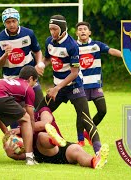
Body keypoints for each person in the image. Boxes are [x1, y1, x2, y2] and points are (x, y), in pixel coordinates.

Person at [36, 15, 102, 154]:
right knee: (38, 113)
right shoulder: (49, 41)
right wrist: (42, 63)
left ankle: (99, 151)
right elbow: (48, 57)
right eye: (50, 29)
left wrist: (57, 88)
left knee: (85, 118)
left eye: (55, 29)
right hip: (57, 88)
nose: (52, 32)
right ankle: (31, 147)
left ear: (63, 29)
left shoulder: (72, 45)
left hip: (74, 87)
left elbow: (74, 72)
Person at [3, 107, 109, 169]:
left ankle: (95, 161)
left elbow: (46, 123)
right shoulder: (19, 126)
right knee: (41, 137)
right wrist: (11, 153)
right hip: (39, 154)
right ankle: (53, 140)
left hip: (60, 148)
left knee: (77, 151)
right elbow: (20, 152)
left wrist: (22, 129)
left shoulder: (43, 111)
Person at [75, 22, 122, 145]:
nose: (82, 31)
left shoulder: (97, 45)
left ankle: (88, 133)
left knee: (102, 110)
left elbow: (111, 50)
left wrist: (123, 55)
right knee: (82, 113)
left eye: (85, 29)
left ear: (89, 32)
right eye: (80, 29)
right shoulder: (73, 46)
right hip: (81, 85)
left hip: (96, 85)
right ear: (76, 33)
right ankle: (80, 140)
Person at [0, 8, 44, 110]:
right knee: (17, 115)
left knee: (42, 109)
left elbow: (37, 51)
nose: (11, 24)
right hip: (11, 81)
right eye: (8, 22)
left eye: (14, 21)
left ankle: (43, 125)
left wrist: (39, 64)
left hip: (30, 78)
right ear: (4, 23)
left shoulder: (29, 33)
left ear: (18, 21)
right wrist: (5, 55)